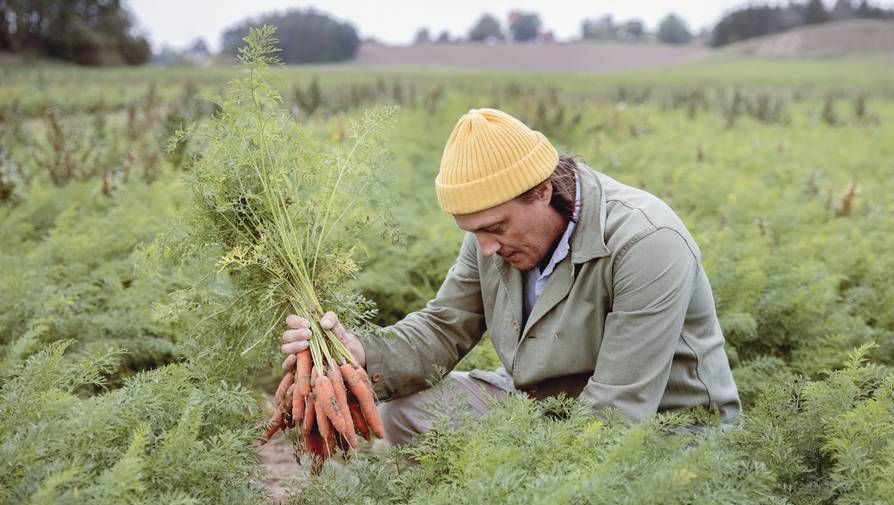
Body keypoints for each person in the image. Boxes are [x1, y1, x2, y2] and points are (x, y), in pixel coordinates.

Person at [281, 108, 740, 445]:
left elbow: (618, 409)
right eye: (473, 231)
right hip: (541, 407)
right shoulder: (494, 236)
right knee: (405, 415)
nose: (486, 248)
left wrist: (523, 478)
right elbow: (444, 326)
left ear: (542, 191)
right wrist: (362, 351)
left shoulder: (646, 242)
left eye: (494, 228)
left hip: (663, 425)